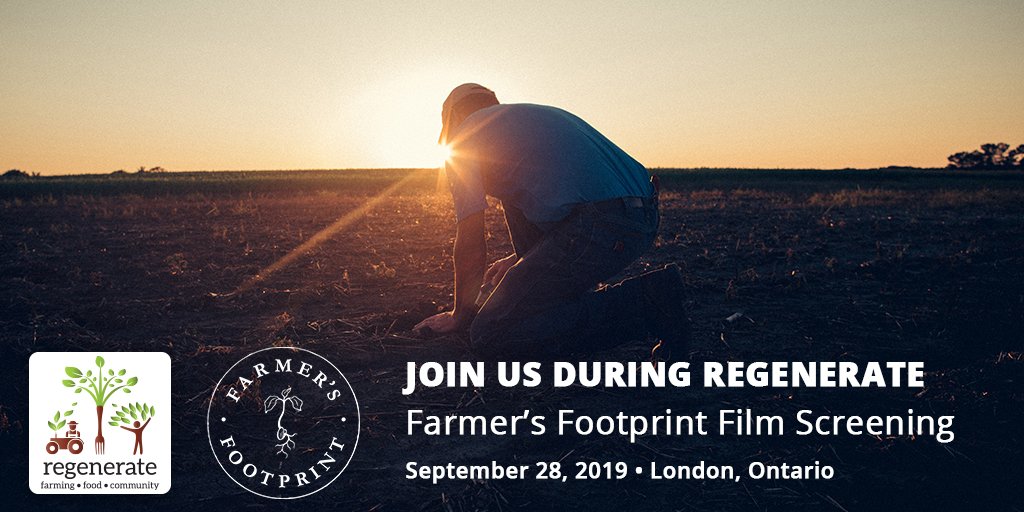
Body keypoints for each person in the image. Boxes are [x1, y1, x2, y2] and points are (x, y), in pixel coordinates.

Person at [415, 83, 689, 357]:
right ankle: (587, 305)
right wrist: (522, 261)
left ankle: (648, 303)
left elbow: (471, 241)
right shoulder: (525, 122)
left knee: (491, 332)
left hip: (603, 225)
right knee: (517, 216)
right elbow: (561, 201)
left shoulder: (464, 139)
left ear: (450, 120)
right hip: (644, 215)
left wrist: (460, 315)